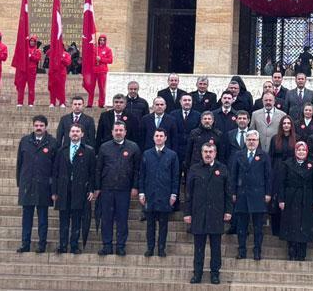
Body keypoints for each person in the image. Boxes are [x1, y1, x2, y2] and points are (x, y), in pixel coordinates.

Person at [185, 143, 232, 284]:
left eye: (210, 151)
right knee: (198, 247)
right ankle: (197, 274)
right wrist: (187, 213)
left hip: (216, 213)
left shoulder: (222, 169)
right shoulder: (194, 169)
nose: (208, 154)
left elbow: (228, 192)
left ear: (215, 153)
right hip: (198, 213)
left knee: (216, 247)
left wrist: (228, 211)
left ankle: (215, 274)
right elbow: (189, 193)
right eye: (205, 151)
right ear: (201, 153)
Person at [94, 121, 141, 256]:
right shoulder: (104, 147)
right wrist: (97, 187)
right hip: (107, 188)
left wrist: (135, 186)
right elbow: (98, 169)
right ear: (112, 132)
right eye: (116, 130)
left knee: (122, 218)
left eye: (121, 130)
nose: (118, 132)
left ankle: (121, 245)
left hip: (124, 189)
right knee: (106, 218)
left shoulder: (133, 147)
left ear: (125, 132)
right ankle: (107, 245)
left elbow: (137, 169)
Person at [15, 115, 57, 253]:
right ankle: (25, 243)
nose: (38, 128)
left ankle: (42, 244)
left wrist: (53, 188)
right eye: (36, 125)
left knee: (43, 218)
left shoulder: (52, 142)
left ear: (46, 127)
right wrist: (20, 183)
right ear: (33, 126)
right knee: (26, 217)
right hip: (27, 184)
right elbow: (19, 163)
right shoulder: (25, 141)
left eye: (41, 126)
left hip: (44, 185)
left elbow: (55, 167)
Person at [51, 123, 95, 254]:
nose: (75, 133)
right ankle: (62, 245)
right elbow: (55, 172)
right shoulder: (61, 150)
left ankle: (74, 245)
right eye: (73, 131)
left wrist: (91, 190)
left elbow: (92, 172)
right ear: (69, 134)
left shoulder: (89, 151)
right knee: (63, 219)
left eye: (77, 131)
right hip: (63, 190)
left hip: (80, 190)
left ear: (82, 134)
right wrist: (54, 191)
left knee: (76, 219)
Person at [230, 130, 272, 260]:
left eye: (254, 140)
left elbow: (268, 176)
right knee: (241, 226)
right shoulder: (239, 155)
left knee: (258, 227)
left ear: (258, 141)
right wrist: (233, 192)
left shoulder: (264, 155)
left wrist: (268, 193)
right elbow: (233, 175)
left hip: (258, 195)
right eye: (249, 140)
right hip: (242, 194)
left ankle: (257, 250)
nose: (251, 142)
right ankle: (241, 250)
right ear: (245, 141)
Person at [139, 128, 179, 257]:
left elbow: (175, 176)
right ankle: (150, 248)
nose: (159, 138)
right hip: (150, 193)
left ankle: (161, 248)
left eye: (161, 136)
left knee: (163, 225)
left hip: (165, 193)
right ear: (153, 138)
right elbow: (142, 175)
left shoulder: (172, 155)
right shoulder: (147, 154)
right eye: (157, 136)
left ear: (165, 138)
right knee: (150, 224)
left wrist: (174, 193)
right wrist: (141, 192)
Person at [278, 141, 313, 261]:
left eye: (303, 150)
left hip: (307, 198)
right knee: (291, 224)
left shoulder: (312, 165)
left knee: (305, 225)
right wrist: (281, 199)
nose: (301, 152)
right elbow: (281, 183)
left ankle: (302, 253)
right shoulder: (287, 164)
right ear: (295, 151)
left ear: (307, 152)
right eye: (298, 150)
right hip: (291, 198)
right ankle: (291, 251)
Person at [268, 115, 297, 236]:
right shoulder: (275, 139)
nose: (286, 125)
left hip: (291, 171)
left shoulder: (296, 139)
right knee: (276, 200)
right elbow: (270, 156)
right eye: (284, 123)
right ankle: (275, 229)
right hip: (277, 171)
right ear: (281, 125)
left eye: (288, 123)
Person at [16, 35, 42, 107]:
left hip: (31, 71)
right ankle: (20, 102)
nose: (32, 42)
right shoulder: (24, 49)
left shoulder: (37, 51)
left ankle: (31, 103)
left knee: (31, 87)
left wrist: (31, 56)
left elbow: (38, 58)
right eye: (31, 41)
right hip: (23, 70)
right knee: (21, 87)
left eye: (33, 41)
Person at [89, 34, 113, 108]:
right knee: (91, 88)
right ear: (98, 40)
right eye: (100, 40)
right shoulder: (95, 49)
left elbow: (110, 60)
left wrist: (101, 59)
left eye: (103, 40)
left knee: (102, 88)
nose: (102, 41)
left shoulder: (108, 50)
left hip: (102, 71)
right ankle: (90, 103)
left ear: (105, 41)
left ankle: (101, 103)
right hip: (93, 71)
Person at [47, 42, 72, 108]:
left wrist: (61, 59)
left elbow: (68, 62)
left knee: (61, 88)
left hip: (61, 73)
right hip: (53, 72)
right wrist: (53, 48)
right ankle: (52, 102)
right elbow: (47, 53)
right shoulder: (53, 52)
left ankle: (62, 102)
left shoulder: (66, 54)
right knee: (52, 88)